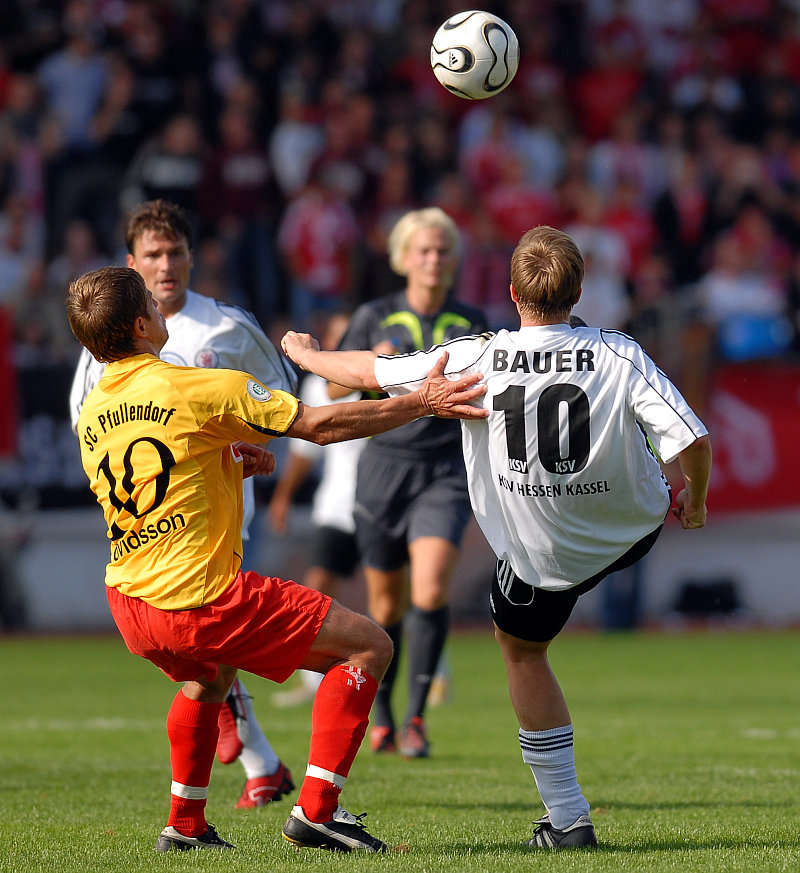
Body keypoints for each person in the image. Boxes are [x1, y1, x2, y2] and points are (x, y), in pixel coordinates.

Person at [281, 224, 712, 850]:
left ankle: (566, 819)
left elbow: (372, 370)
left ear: (512, 292)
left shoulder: (482, 353)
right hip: (629, 531)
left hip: (540, 555)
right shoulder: (619, 351)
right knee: (633, 505)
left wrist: (307, 355)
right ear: (579, 290)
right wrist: (692, 500)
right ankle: (427, 724)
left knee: (524, 653)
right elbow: (691, 438)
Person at [66, 265, 487, 853]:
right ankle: (317, 813)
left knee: (206, 680)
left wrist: (230, 460)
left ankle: (184, 826)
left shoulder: (92, 411)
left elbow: (148, 475)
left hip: (132, 605)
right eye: (153, 306)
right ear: (141, 325)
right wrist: (422, 402)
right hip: (200, 597)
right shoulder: (196, 387)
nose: (165, 308)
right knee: (370, 645)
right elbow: (319, 425)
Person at [68, 198, 298, 810]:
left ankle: (253, 769)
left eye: (174, 253)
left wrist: (254, 442)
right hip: (153, 522)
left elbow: (284, 393)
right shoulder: (107, 345)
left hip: (223, 508)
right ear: (131, 264)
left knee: (213, 648)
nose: (165, 266)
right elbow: (86, 425)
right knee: (211, 649)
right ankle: (264, 768)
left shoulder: (227, 327)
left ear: (192, 256)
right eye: (152, 256)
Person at [330, 207, 489, 758]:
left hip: (445, 469)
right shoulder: (373, 315)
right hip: (383, 468)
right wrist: (373, 365)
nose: (433, 259)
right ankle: (384, 717)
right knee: (385, 602)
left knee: (430, 588)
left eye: (443, 250)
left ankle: (418, 720)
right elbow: (330, 391)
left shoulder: (474, 322)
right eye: (423, 250)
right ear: (403, 257)